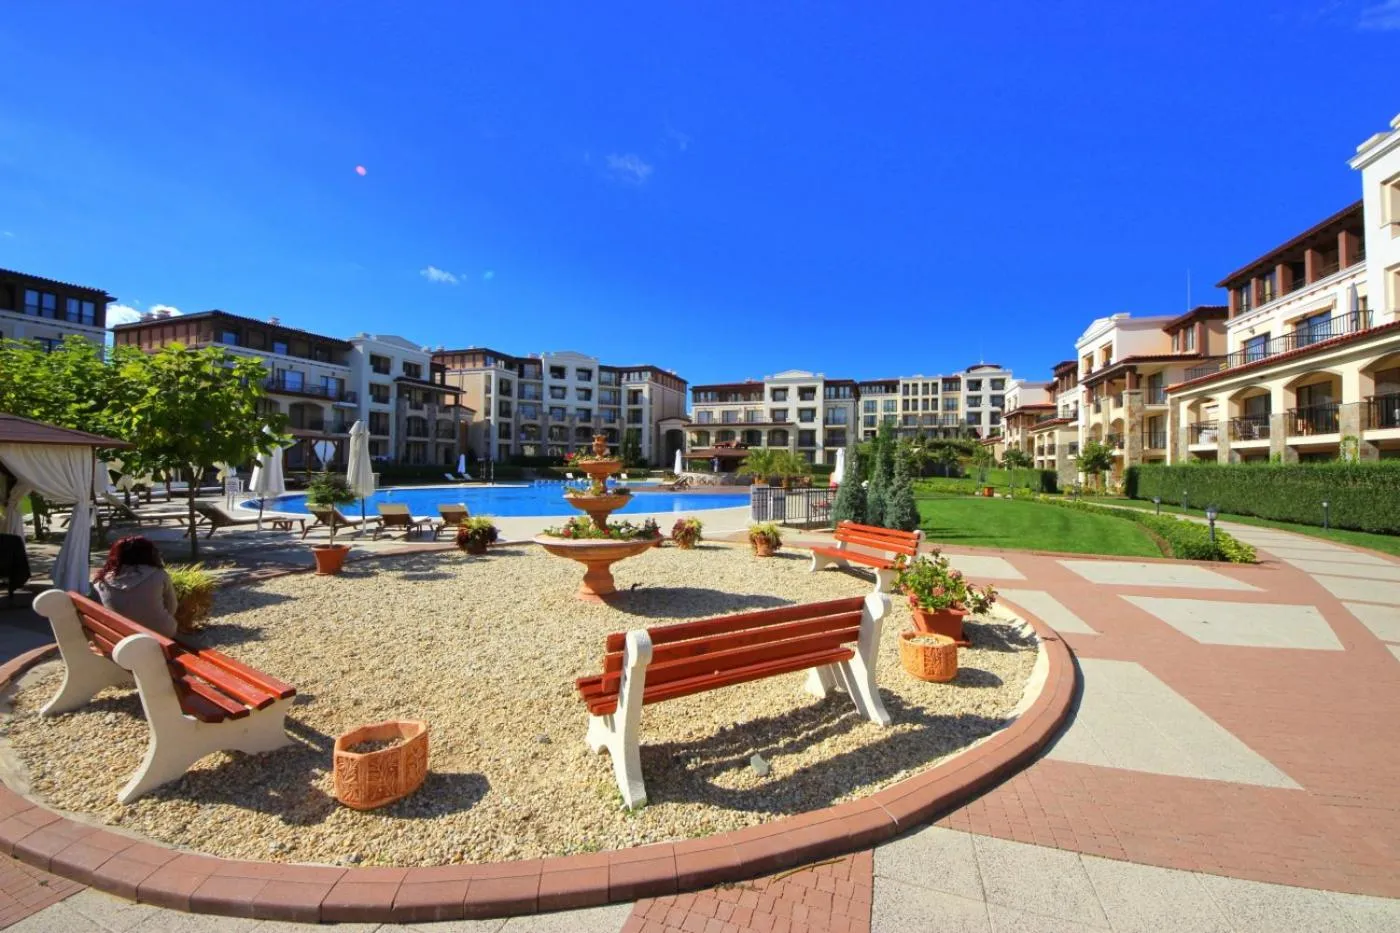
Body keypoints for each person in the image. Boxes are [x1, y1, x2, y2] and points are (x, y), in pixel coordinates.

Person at [92, 536, 179, 638]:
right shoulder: (159, 575)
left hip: (120, 635)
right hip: (161, 632)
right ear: (150, 554)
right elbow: (172, 607)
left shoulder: (101, 581)